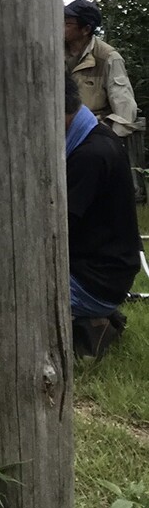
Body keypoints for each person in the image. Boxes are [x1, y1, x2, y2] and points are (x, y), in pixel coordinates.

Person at [65, 71, 141, 359]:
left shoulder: (90, 156)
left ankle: (88, 326)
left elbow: (51, 232)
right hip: (105, 273)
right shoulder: (92, 136)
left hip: (94, 282)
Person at [63, 0, 139, 138]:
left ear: (86, 29)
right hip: (57, 130)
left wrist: (105, 139)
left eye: (67, 23)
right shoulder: (53, 52)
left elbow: (125, 113)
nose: (61, 27)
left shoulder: (108, 58)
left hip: (90, 133)